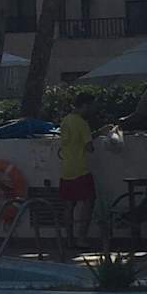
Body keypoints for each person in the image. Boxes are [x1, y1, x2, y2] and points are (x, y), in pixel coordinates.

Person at [57, 91, 100, 253]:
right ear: (85, 106)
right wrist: (100, 134)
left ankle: (69, 239)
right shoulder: (82, 123)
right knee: (89, 201)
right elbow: (89, 148)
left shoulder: (65, 120)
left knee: (69, 205)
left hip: (66, 169)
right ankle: (81, 238)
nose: (93, 110)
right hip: (80, 169)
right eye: (92, 106)